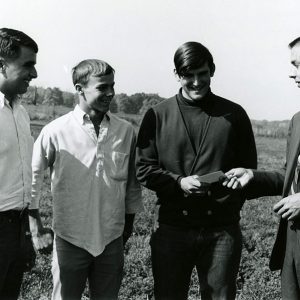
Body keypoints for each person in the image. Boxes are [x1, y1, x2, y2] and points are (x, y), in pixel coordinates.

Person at [135, 41, 257, 300]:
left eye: (202, 73)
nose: (196, 81)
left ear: (212, 70)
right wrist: (178, 182)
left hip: (222, 231)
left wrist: (229, 202)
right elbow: (143, 168)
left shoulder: (234, 115)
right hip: (172, 228)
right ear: (177, 75)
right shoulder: (157, 115)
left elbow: (249, 169)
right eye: (188, 75)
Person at [29, 59, 142, 300]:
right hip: (70, 239)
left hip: (111, 240)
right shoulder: (55, 131)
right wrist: (35, 223)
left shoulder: (125, 131)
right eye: (102, 87)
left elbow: (132, 184)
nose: (110, 93)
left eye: (112, 86)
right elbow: (33, 177)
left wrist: (127, 227)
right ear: (80, 89)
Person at [224, 37, 300, 300]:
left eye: (299, 65)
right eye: (293, 65)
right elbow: (289, 177)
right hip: (293, 243)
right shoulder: (298, 121)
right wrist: (252, 176)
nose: (293, 73)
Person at [0, 28, 38, 299]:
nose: (34, 74)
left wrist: (25, 233)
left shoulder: (21, 113)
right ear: (2, 65)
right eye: (28, 65)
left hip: (16, 228)